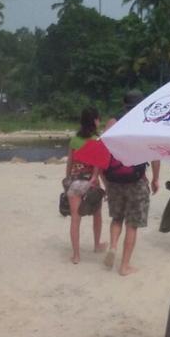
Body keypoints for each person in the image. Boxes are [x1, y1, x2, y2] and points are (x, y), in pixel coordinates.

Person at [102, 90, 160, 275]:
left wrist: (104, 178)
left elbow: (103, 150)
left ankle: (112, 246)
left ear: (123, 103)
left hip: (114, 179)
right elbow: (154, 154)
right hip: (136, 180)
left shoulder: (112, 122)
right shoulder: (146, 123)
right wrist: (156, 178)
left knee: (117, 218)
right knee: (132, 224)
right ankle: (124, 266)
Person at [64, 106, 106, 264]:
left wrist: (67, 178)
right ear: (95, 120)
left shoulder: (74, 139)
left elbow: (70, 161)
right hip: (90, 181)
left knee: (75, 219)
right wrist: (95, 178)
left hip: (75, 182)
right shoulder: (96, 140)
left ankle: (76, 255)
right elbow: (98, 164)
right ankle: (96, 245)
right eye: (98, 119)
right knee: (97, 214)